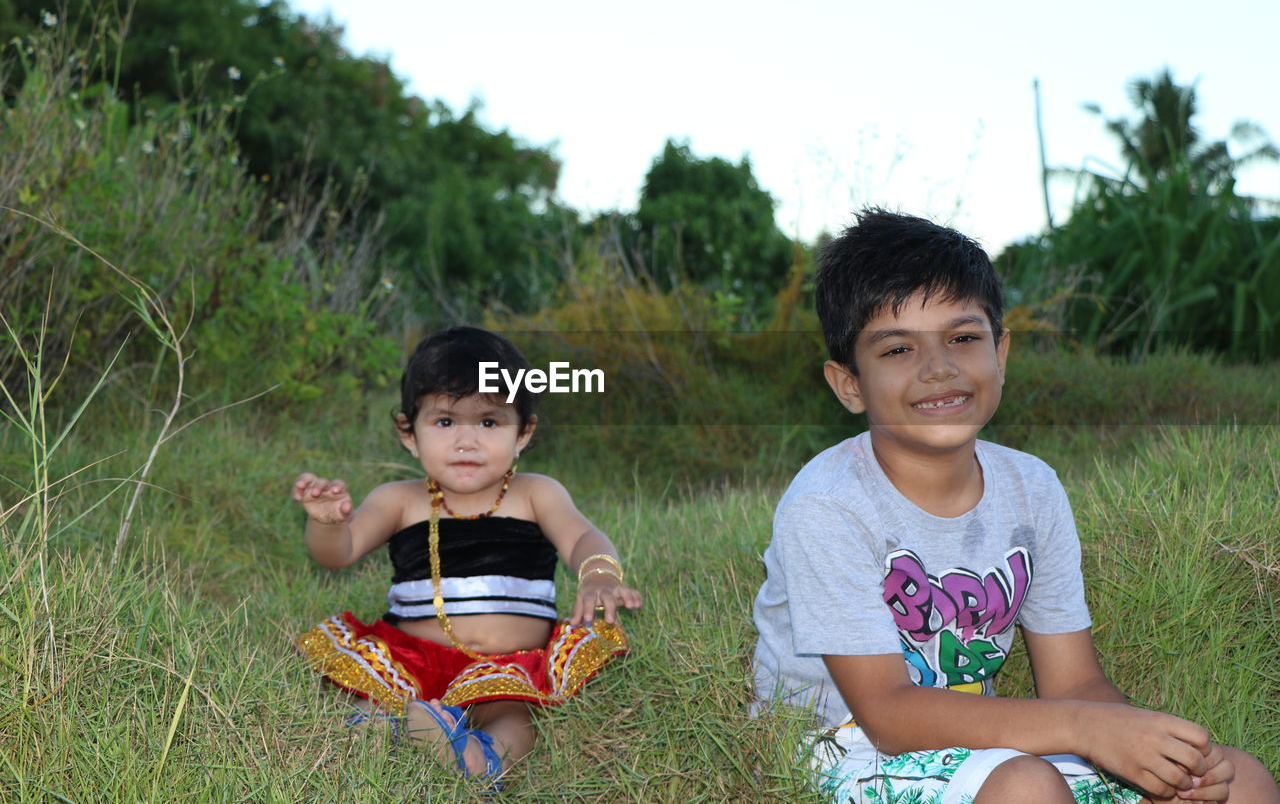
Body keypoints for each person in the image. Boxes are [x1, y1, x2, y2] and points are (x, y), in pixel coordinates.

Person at [751, 209, 1279, 804]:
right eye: (897, 349)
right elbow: (888, 715)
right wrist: (1083, 728)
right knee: (1028, 787)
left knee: (1243, 781)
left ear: (1000, 351)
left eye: (963, 338)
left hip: (979, 746)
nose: (939, 367)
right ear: (848, 384)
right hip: (839, 747)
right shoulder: (827, 505)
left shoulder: (1032, 487)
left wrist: (1142, 747)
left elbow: (1073, 681)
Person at [294, 326, 641, 789]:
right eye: (444, 422)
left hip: (508, 666)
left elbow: (583, 537)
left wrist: (598, 574)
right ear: (408, 434)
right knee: (378, 703)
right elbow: (339, 553)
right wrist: (327, 525)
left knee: (515, 720)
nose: (466, 441)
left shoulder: (536, 493)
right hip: (413, 660)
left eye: (489, 422)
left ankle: (479, 759)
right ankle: (376, 741)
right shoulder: (399, 500)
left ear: (524, 432)